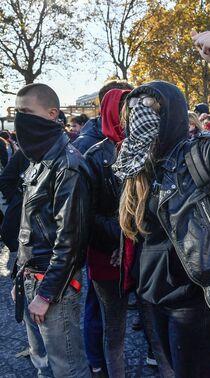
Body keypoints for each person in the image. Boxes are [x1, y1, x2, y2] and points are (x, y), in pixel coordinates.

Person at [114, 30, 210, 378]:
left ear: (173, 114)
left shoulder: (197, 153)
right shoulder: (136, 164)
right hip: (152, 295)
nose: (141, 117)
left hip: (193, 299)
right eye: (134, 109)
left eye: (151, 109)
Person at [11, 83, 92, 377]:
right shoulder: (37, 161)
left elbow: (69, 240)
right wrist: (21, 276)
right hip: (34, 279)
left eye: (25, 112)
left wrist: (45, 294)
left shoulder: (68, 165)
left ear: (52, 113)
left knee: (67, 368)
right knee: (42, 363)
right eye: (16, 112)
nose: (20, 120)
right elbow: (30, 226)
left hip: (54, 286)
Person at [83, 88, 131, 377]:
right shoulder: (94, 154)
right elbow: (86, 216)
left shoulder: (143, 148)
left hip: (136, 252)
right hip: (106, 256)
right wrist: (120, 236)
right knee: (113, 328)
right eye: (128, 109)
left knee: (151, 326)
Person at [73, 80, 134, 154]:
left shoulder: (136, 135)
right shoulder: (83, 145)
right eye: (128, 103)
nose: (135, 108)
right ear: (109, 106)